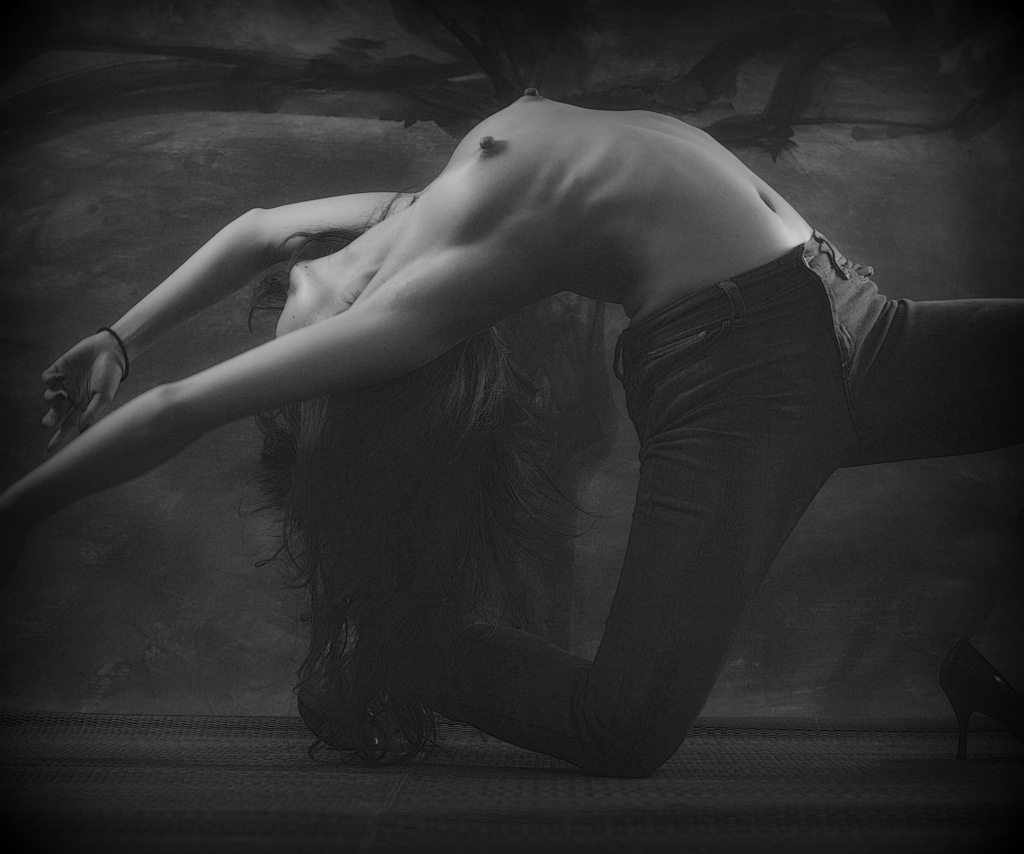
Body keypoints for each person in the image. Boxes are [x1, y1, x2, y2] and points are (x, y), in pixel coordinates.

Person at [1, 91, 1022, 777]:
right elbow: (182, 409)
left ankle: (991, 668)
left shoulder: (409, 211)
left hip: (847, 312)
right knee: (623, 729)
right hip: (742, 372)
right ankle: (397, 657)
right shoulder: (419, 304)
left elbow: (259, 224)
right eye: (305, 361)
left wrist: (118, 338)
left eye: (286, 314)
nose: (289, 326)